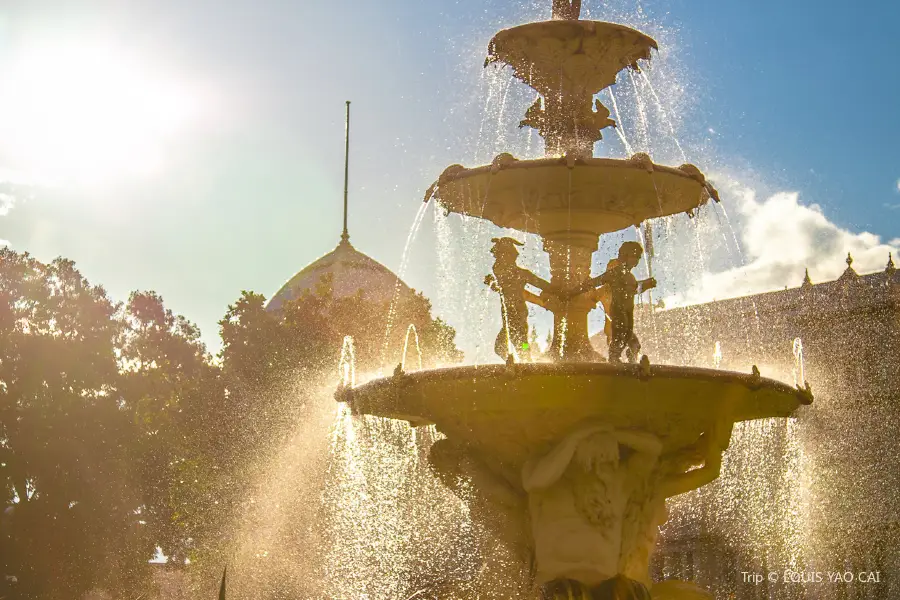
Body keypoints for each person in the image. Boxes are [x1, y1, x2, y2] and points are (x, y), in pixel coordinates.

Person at [583, 242, 656, 364]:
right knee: (620, 335)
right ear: (624, 256)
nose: (637, 261)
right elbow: (597, 281)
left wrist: (646, 285)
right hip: (618, 310)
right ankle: (614, 357)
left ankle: (631, 359)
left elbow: (633, 289)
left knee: (629, 338)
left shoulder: (630, 277)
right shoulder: (615, 272)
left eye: (638, 257)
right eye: (634, 256)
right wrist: (580, 287)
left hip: (628, 310)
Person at [484, 237, 554, 360]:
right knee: (511, 345)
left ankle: (525, 360)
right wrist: (492, 283)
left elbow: (542, 284)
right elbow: (503, 289)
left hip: (518, 312)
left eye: (501, 256)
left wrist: (556, 291)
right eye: (498, 257)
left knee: (518, 343)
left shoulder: (521, 274)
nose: (498, 261)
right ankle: (520, 360)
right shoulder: (502, 274)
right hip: (509, 313)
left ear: (509, 257)